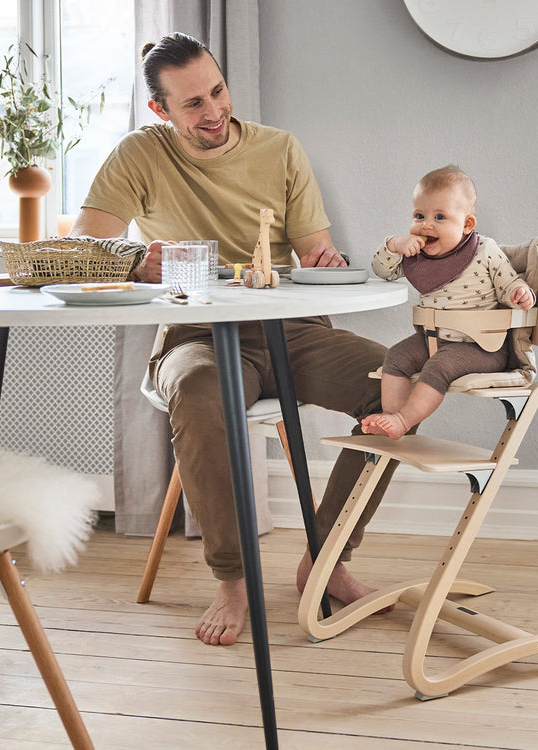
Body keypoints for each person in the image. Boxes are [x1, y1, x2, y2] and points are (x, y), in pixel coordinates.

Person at [71, 32, 402, 646]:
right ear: (161, 111)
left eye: (218, 91)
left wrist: (325, 260)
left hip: (293, 330)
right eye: (193, 104)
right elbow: (84, 250)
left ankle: (325, 562)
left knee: (395, 389)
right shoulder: (137, 157)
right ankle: (232, 580)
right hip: (195, 333)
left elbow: (312, 255)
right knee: (199, 396)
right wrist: (137, 259)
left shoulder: (280, 150)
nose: (215, 111)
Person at [361, 165, 535, 440]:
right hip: (433, 341)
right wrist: (395, 245)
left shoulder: (485, 250)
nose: (426, 224)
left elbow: (509, 284)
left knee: (439, 366)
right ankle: (391, 417)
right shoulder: (417, 254)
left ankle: (404, 420)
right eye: (419, 215)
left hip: (482, 347)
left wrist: (520, 293)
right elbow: (383, 270)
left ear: (466, 224)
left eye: (440, 216)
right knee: (395, 356)